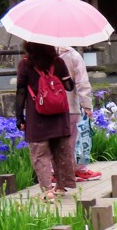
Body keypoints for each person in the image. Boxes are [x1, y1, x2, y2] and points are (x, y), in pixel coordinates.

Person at [15, 42, 76, 202]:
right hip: (59, 116)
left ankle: (48, 191)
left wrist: (20, 117)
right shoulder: (58, 61)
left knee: (40, 154)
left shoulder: (25, 63)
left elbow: (21, 91)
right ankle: (61, 187)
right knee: (61, 151)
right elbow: (69, 87)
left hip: (37, 117)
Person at [57, 46, 101, 181]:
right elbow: (82, 83)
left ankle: (55, 172)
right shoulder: (73, 55)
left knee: (54, 142)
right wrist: (87, 106)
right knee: (74, 141)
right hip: (70, 106)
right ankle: (78, 169)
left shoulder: (41, 55)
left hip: (47, 107)